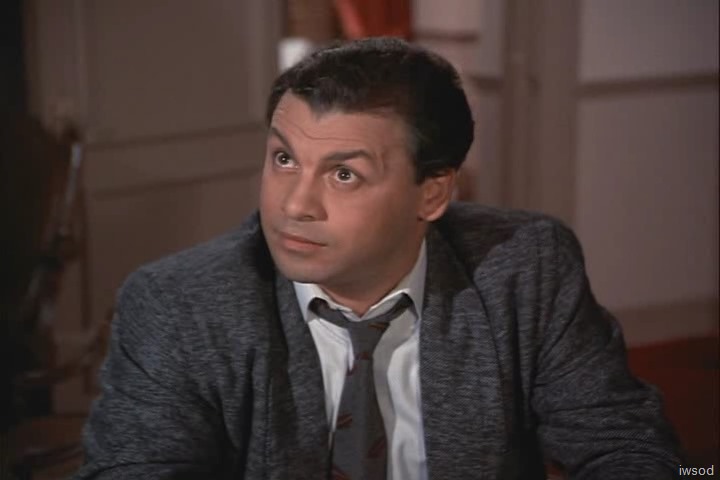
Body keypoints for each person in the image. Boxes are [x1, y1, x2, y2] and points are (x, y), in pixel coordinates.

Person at [74, 37, 680, 479]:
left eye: (344, 174)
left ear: (432, 194)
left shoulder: (525, 266)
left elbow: (628, 445)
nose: (294, 205)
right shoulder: (178, 304)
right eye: (284, 159)